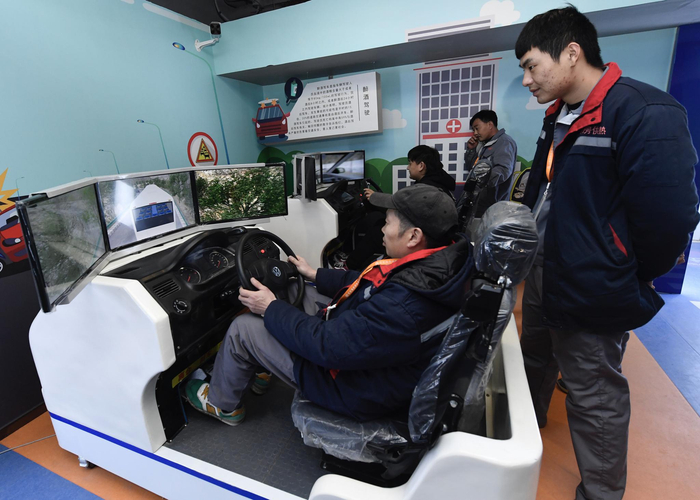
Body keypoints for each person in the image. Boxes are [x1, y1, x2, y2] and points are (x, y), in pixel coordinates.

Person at [516, 6, 699, 500]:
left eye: (532, 66)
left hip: (594, 281)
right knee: (534, 358)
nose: (528, 80)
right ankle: (525, 436)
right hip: (546, 269)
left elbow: (671, 217)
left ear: (571, 53)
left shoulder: (643, 111)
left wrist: (624, 269)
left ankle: (600, 493)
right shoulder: (558, 115)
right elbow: (543, 191)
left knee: (594, 393)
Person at [185, 184, 472, 425]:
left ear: (413, 236)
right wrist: (314, 274)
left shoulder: (404, 305)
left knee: (242, 327)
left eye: (388, 222)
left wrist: (270, 308)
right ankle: (261, 366)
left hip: (348, 386)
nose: (382, 229)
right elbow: (368, 282)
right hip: (365, 352)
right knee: (295, 288)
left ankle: (223, 403)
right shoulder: (437, 263)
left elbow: (328, 346)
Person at [462, 110, 518, 218]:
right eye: (473, 130)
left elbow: (503, 171)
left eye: (477, 128)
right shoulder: (484, 145)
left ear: (490, 124)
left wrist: (480, 182)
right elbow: (471, 168)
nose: (475, 133)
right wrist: (471, 150)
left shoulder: (504, 142)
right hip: (480, 205)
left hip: (493, 207)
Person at [363, 145, 456, 201]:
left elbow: (400, 204)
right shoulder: (439, 182)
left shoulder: (425, 190)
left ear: (421, 166)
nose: (408, 168)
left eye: (410, 163)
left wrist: (375, 197)